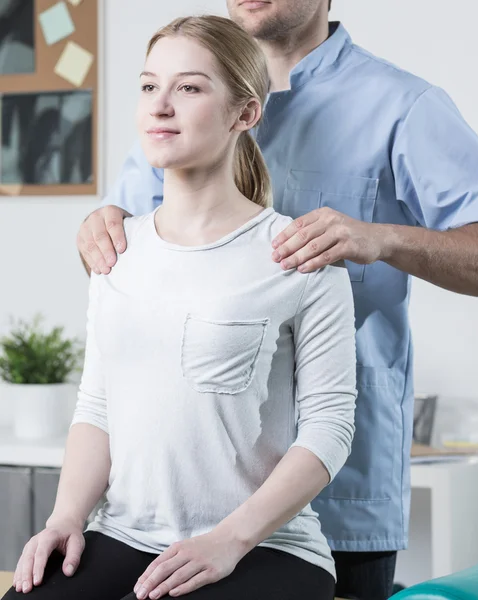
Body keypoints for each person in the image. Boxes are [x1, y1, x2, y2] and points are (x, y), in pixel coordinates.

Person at [77, 1, 478, 598]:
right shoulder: (181, 105)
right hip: (169, 502)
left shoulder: (401, 107)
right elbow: (126, 260)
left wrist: (382, 238)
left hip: (337, 491)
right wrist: (99, 227)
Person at [5, 15, 357, 600]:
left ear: (245, 114)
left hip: (267, 547)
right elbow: (97, 409)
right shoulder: (115, 250)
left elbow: (330, 430)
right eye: (148, 86)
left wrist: (229, 540)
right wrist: (64, 519)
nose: (160, 105)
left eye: (189, 88)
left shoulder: (299, 256)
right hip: (123, 535)